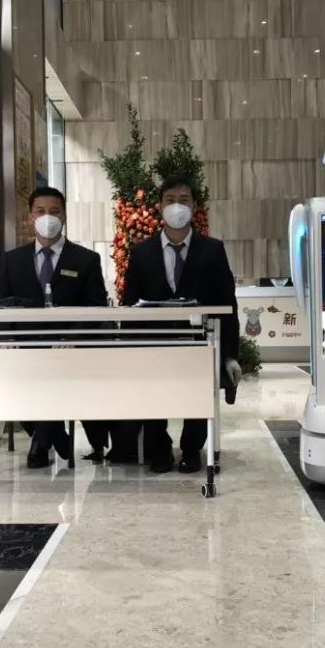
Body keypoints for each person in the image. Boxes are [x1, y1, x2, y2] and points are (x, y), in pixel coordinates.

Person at [121, 175, 242, 474]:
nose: (177, 206)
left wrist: (230, 354)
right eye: (170, 200)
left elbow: (227, 305)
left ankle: (191, 450)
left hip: (199, 343)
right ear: (159, 206)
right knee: (152, 395)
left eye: (184, 200)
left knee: (198, 393)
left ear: (194, 206)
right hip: (153, 345)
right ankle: (159, 450)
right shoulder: (141, 252)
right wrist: (129, 348)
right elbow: (129, 305)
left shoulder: (212, 250)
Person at [0, 186, 111, 468]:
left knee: (53, 374)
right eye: (41, 211)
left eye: (54, 211)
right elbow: (1, 305)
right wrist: (7, 339)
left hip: (70, 349)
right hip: (25, 349)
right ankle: (56, 435)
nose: (48, 217)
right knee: (16, 379)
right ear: (30, 217)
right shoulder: (13, 260)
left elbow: (97, 307)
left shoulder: (86, 259)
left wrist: (74, 336)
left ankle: (40, 445)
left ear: (64, 216)